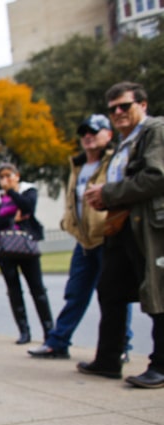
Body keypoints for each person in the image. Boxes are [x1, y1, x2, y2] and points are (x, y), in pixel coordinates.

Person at [28, 115, 133, 360]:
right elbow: (71, 199)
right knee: (75, 293)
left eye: (94, 131)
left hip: (108, 238)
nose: (87, 136)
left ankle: (121, 347)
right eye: (84, 132)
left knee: (114, 296)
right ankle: (58, 342)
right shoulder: (78, 165)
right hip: (84, 242)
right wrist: (68, 222)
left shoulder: (115, 161)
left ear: (108, 134)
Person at [82, 81, 164, 389]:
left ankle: (161, 364)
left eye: (124, 105)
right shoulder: (124, 143)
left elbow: (157, 177)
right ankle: (108, 358)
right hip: (123, 226)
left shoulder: (154, 131)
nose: (118, 112)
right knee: (110, 289)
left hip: (151, 226)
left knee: (159, 291)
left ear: (142, 105)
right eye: (112, 108)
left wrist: (109, 192)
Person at [0, 163, 54, 345]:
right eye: (1, 177)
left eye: (8, 175)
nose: (4, 180)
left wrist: (12, 192)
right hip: (4, 248)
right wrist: (11, 219)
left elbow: (28, 208)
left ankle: (49, 331)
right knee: (14, 291)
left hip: (26, 247)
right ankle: (24, 331)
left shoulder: (27, 190)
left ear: (17, 175)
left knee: (37, 289)